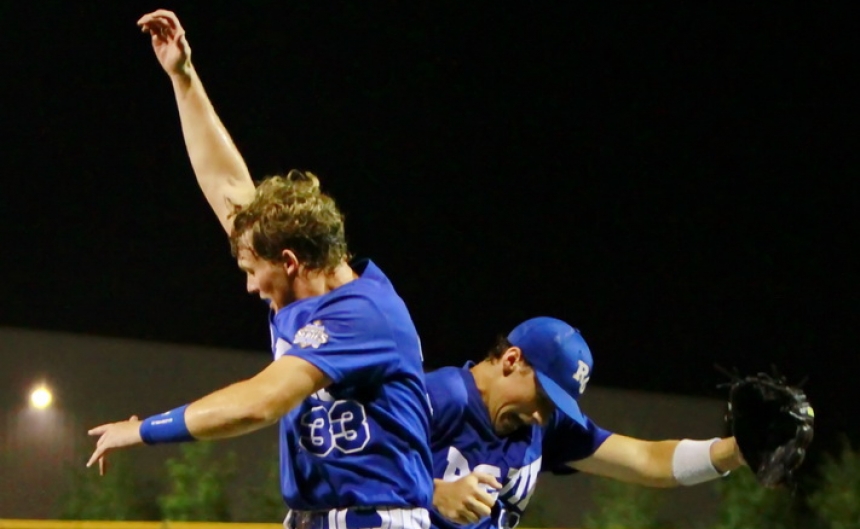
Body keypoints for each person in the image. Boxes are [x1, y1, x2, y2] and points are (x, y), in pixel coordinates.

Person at [87, 10, 434, 529]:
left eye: (253, 270)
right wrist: (183, 76)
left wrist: (143, 430)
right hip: (320, 516)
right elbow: (225, 184)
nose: (250, 285)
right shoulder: (301, 279)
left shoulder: (364, 315)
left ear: (290, 261)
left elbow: (260, 402)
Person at [428, 317, 745, 529]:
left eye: (554, 406)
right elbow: (391, 467)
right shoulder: (439, 396)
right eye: (543, 397)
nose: (542, 415)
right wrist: (433, 493)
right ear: (512, 360)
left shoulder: (542, 425)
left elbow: (647, 460)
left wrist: (737, 450)